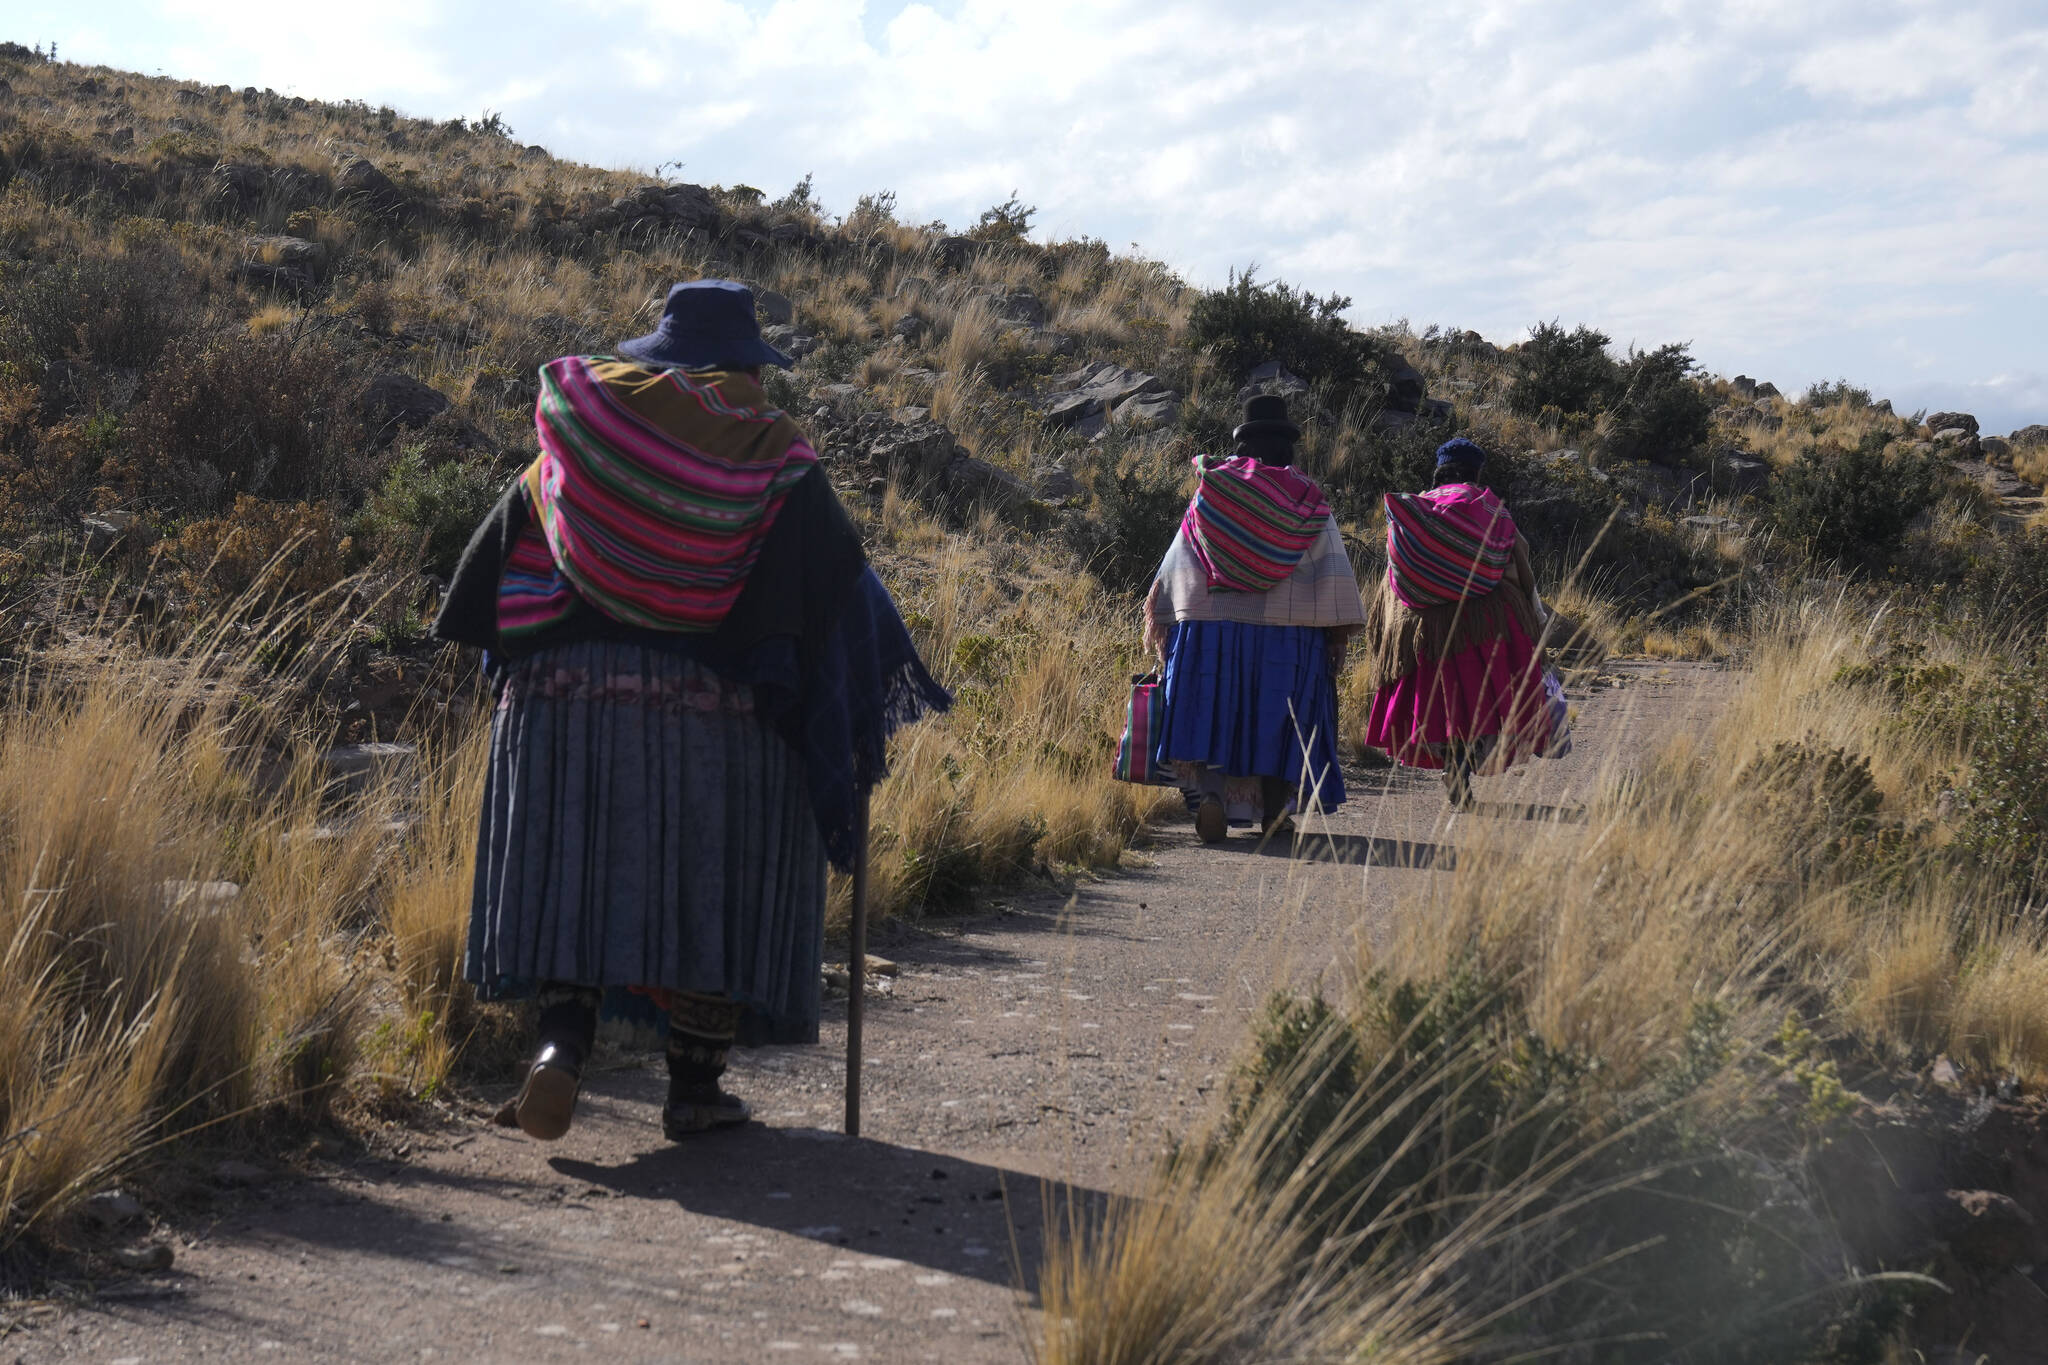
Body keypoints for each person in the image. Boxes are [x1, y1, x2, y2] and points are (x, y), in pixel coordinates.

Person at [433, 280, 949, 1143]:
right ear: (744, 365)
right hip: (715, 713)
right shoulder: (769, 449)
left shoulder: (584, 429)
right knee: (718, 879)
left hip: (565, 699)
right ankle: (694, 1089)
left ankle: (561, 1050)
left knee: (579, 874)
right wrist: (857, 697)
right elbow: (838, 585)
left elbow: (502, 541)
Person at [1141, 394, 1366, 843]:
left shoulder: (1213, 490)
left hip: (1212, 627)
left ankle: (1211, 798)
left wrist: (1171, 618)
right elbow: (1332, 567)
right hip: (1289, 633)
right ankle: (1276, 811)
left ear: (1241, 446)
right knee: (1283, 720)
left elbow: (1179, 559)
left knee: (1212, 711)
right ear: (1287, 448)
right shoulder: (1306, 498)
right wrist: (1336, 635)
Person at [1360, 437, 1549, 807]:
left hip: (1420, 626)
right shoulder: (1489, 507)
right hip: (1481, 624)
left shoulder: (1415, 510)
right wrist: (1533, 615)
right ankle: (1462, 767)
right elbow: (1518, 559)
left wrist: (1387, 627)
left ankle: (1454, 765)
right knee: (1473, 703)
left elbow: (1393, 569)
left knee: (1442, 705)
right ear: (1476, 472)